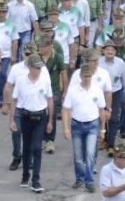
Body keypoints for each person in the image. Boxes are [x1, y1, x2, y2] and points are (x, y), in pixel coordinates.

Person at [8, 54, 53, 193]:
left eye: (40, 68)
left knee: (37, 148)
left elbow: (50, 100)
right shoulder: (21, 81)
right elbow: (14, 101)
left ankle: (36, 180)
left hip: (41, 118)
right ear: (30, 68)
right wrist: (12, 120)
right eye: (36, 68)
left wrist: (50, 120)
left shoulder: (44, 80)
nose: (39, 70)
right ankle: (25, 175)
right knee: (26, 148)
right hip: (26, 117)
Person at [61, 62, 108, 192]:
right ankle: (79, 178)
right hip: (77, 125)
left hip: (92, 125)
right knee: (78, 155)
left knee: (90, 153)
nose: (86, 79)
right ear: (80, 76)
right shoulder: (73, 90)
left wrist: (103, 129)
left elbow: (101, 110)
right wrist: (65, 128)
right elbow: (66, 110)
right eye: (84, 76)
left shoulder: (97, 90)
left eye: (89, 76)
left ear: (91, 76)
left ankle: (89, 180)